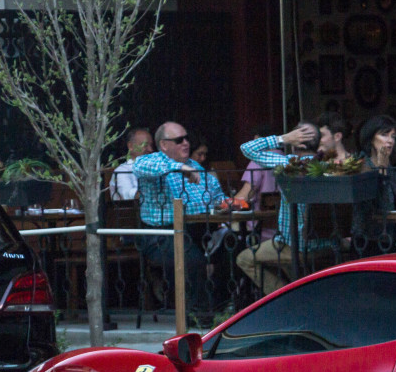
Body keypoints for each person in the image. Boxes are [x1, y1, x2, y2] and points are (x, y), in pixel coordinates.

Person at [133, 121, 225, 325]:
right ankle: (197, 317)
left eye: (186, 139)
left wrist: (225, 204)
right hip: (160, 235)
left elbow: (217, 195)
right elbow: (141, 167)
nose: (186, 143)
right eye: (179, 140)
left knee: (235, 249)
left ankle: (223, 308)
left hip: (198, 230)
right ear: (164, 145)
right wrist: (180, 167)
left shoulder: (196, 166)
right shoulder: (152, 160)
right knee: (192, 259)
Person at [235, 123, 322, 294]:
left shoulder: (288, 163)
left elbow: (246, 149)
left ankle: (284, 298)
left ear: (298, 141)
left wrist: (283, 138)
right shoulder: (328, 165)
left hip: (294, 245)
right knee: (295, 274)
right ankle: (301, 296)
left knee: (244, 259)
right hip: (326, 244)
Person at [354, 114, 396, 253]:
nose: (390, 141)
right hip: (368, 239)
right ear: (371, 138)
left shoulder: (391, 167)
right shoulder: (361, 165)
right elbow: (376, 206)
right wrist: (381, 171)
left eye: (393, 136)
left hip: (392, 236)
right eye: (385, 135)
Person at [108, 127, 152, 201]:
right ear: (130, 146)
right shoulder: (121, 171)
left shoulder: (156, 168)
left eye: (151, 145)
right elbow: (129, 197)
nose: (150, 149)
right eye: (145, 145)